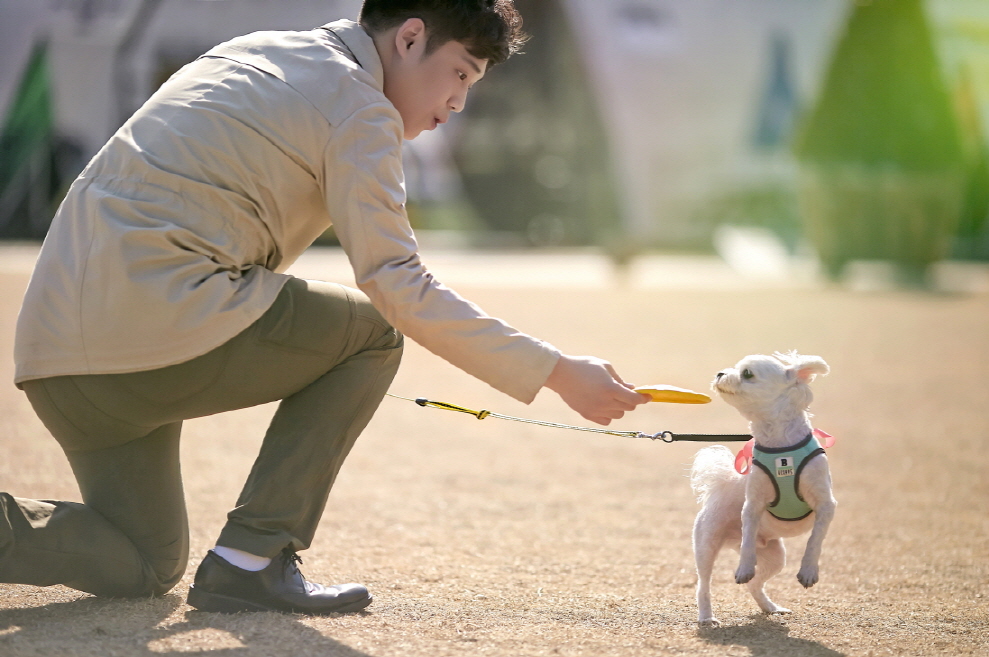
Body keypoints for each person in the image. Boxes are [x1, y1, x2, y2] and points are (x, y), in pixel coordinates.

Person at [2, 0, 647, 615]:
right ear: (410, 38)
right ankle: (253, 559)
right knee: (372, 333)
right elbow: (397, 285)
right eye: (459, 72)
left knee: (145, 558)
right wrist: (559, 371)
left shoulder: (253, 49)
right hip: (155, 333)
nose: (458, 100)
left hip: (54, 353)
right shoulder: (362, 109)